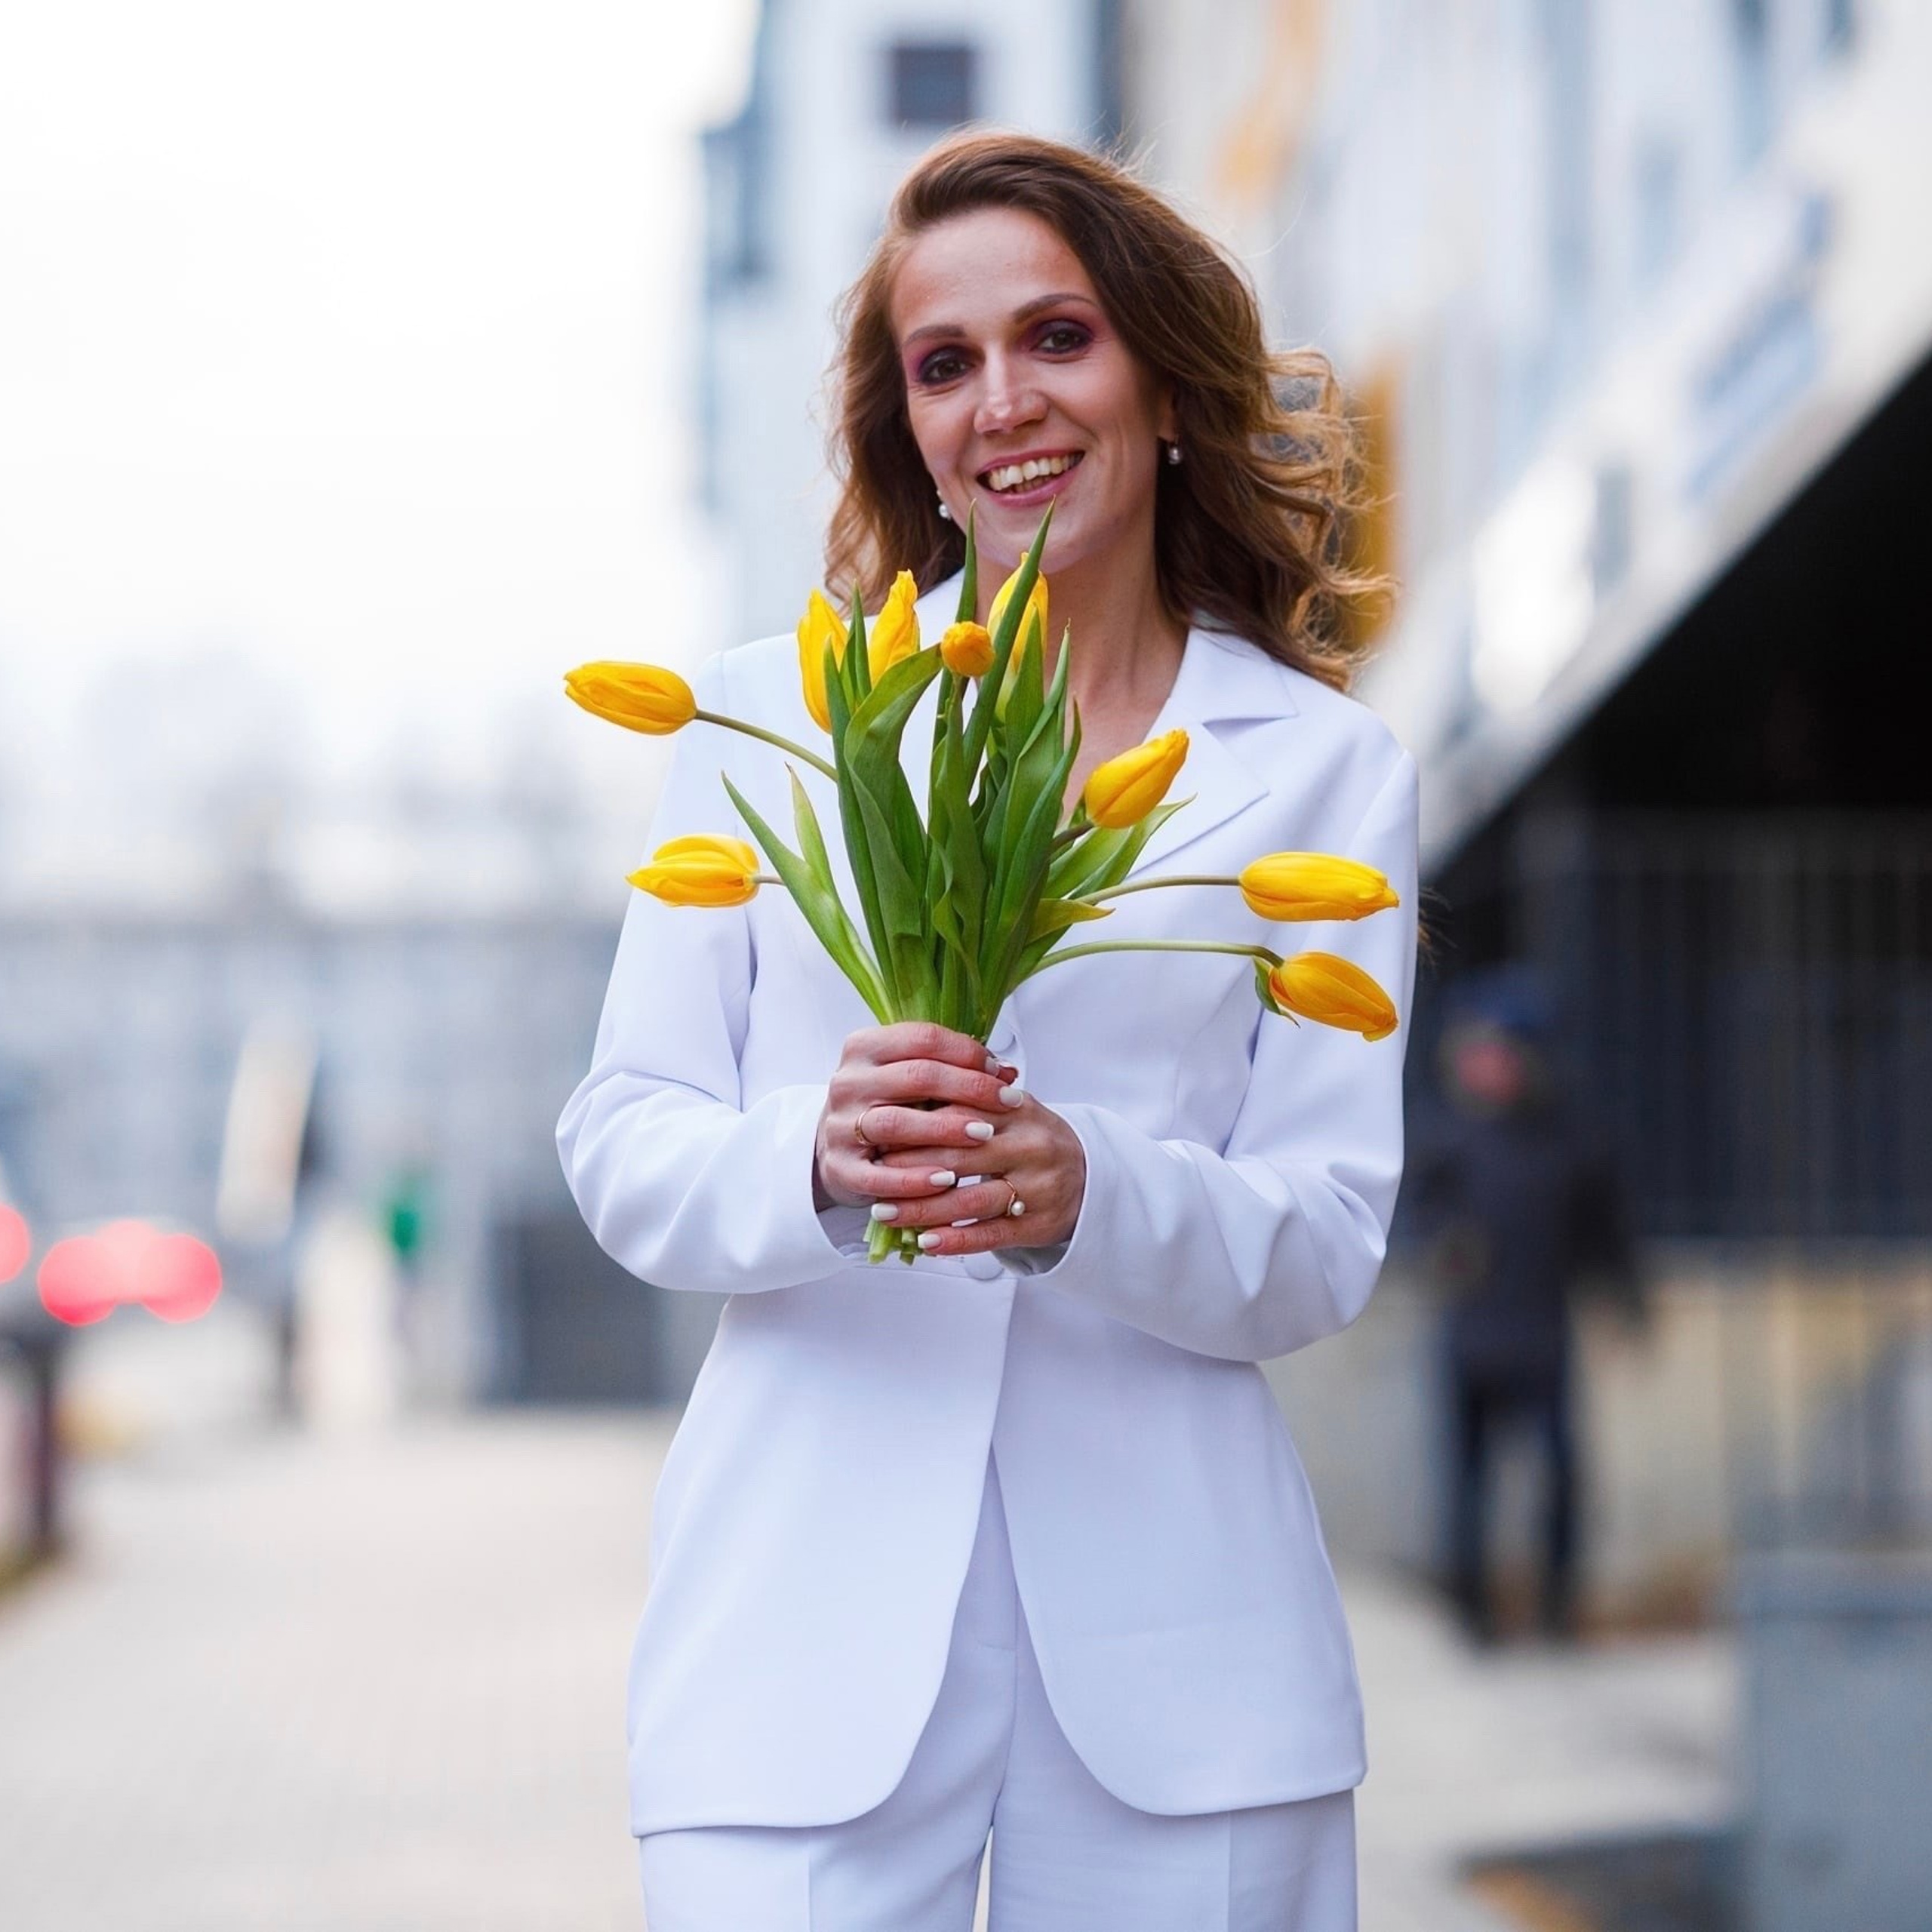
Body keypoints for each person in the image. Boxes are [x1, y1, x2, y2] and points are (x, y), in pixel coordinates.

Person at [558, 131, 1419, 1932]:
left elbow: (1323, 1233)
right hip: (790, 1653)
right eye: (944, 363)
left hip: (1186, 1676)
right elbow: (625, 1134)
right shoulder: (764, 721)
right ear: (909, 431)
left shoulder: (1325, 774)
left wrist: (1084, 1187)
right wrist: (807, 1147)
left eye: (1057, 337)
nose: (1001, 400)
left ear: (1165, 382)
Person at [1408, 968, 1645, 1645]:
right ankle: (1471, 1615)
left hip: (1544, 1335)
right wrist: (1444, 1248)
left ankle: (1555, 1613)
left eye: (1498, 1052)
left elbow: (1607, 1233)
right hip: (1470, 1338)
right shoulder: (1447, 1135)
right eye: (1474, 1050)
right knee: (1466, 1484)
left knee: (1563, 1476)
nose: (1483, 1065)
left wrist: (1628, 1300)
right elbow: (1418, 1218)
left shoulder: (1574, 1139)